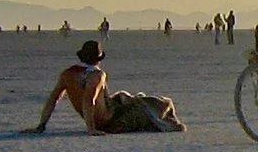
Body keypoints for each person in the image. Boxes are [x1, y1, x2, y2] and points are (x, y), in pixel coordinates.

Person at [26, 39, 185, 133]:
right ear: (98, 58)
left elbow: (53, 99)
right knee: (158, 103)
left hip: (103, 118)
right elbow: (89, 100)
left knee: (126, 98)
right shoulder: (96, 75)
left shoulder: (68, 74)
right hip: (110, 123)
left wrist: (41, 125)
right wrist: (91, 128)